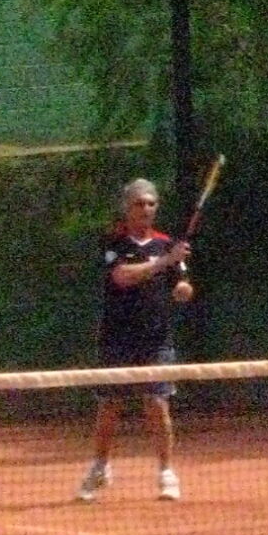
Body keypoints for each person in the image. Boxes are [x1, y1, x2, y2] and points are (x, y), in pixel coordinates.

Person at [79, 177, 193, 502]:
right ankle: (100, 467)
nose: (145, 209)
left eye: (150, 203)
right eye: (139, 203)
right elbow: (122, 277)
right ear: (126, 208)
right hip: (117, 339)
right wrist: (164, 262)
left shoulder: (166, 244)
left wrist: (182, 288)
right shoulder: (113, 242)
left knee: (157, 403)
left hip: (156, 338)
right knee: (109, 406)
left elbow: (182, 284)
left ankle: (166, 473)